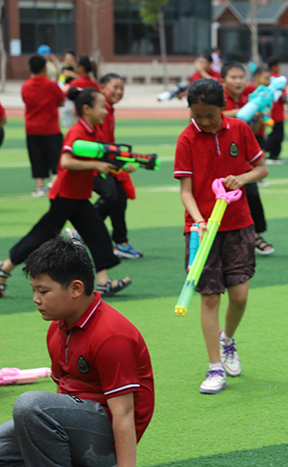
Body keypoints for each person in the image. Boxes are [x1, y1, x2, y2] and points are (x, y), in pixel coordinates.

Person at [0, 237, 154, 466]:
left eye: (43, 291)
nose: (36, 300)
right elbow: (60, 392)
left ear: (76, 288)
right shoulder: (57, 327)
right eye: (34, 290)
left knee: (29, 404)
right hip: (71, 426)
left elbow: (123, 414)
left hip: (103, 442)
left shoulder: (111, 335)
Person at [174, 79, 269, 394]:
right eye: (197, 115)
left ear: (223, 108)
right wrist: (199, 220)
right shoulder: (186, 139)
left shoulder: (240, 129)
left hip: (238, 223)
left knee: (240, 295)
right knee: (211, 296)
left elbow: (261, 168)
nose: (203, 121)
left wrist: (241, 178)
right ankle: (215, 367)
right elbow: (186, 191)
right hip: (202, 229)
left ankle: (227, 339)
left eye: (210, 115)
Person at [0, 88, 131, 299]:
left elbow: (97, 159)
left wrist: (120, 166)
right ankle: (4, 268)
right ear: (87, 109)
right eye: (101, 107)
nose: (105, 111)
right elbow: (65, 161)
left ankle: (103, 282)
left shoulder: (93, 131)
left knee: (97, 234)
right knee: (40, 237)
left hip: (79, 196)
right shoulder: (77, 132)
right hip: (65, 196)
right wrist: (98, 164)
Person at [93, 73, 144, 259]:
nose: (119, 91)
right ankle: (82, 231)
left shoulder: (108, 110)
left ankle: (121, 243)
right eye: (115, 87)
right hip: (93, 164)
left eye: (122, 88)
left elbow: (109, 144)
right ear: (102, 88)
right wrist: (121, 164)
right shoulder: (100, 110)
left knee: (119, 196)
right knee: (110, 196)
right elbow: (100, 146)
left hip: (104, 162)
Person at [242, 65, 276, 255]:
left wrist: (258, 117)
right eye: (265, 78)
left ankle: (255, 234)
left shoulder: (265, 95)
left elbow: (252, 129)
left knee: (252, 193)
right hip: (232, 150)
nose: (268, 82)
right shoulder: (246, 94)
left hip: (251, 142)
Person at [21, 55, 65, 198]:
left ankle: (39, 187)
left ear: (29, 69)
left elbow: (26, 101)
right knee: (56, 157)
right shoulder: (52, 85)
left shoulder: (25, 86)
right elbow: (61, 101)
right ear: (45, 69)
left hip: (32, 128)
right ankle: (55, 182)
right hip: (51, 128)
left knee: (36, 158)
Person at [266, 55, 288, 165]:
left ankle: (268, 151)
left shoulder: (266, 77)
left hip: (268, 109)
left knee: (272, 132)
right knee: (278, 134)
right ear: (274, 66)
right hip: (277, 110)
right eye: (279, 65)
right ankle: (272, 154)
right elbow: (283, 95)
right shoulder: (279, 79)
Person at [59, 50, 78, 128]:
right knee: (66, 112)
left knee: (77, 113)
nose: (68, 60)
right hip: (66, 96)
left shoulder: (76, 69)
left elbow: (79, 77)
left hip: (76, 95)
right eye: (67, 58)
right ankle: (67, 128)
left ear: (74, 59)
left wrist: (71, 74)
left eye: (70, 58)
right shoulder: (62, 69)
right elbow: (60, 81)